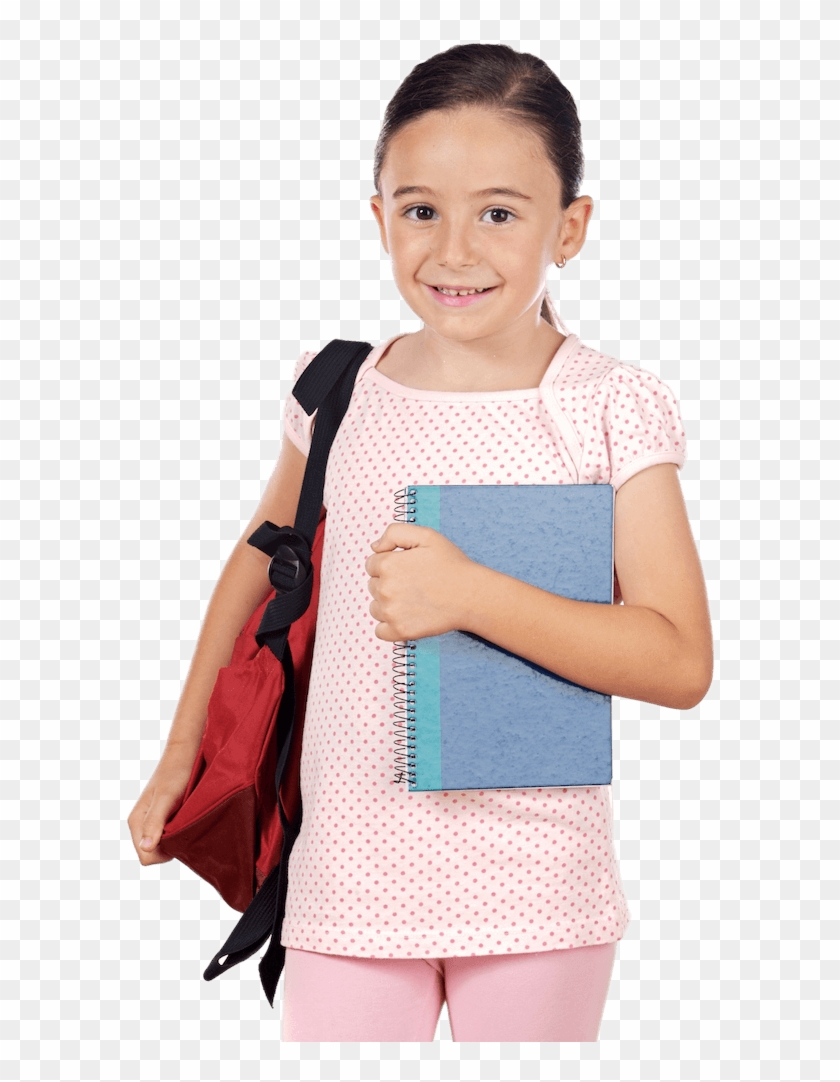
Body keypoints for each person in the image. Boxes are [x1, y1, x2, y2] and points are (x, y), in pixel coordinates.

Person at [128, 43, 712, 1041]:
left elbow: (677, 656)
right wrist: (180, 753)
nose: (452, 250)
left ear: (569, 226)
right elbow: (265, 554)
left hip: (538, 885)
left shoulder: (608, 404)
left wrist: (468, 593)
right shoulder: (339, 385)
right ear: (378, 215)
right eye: (419, 208)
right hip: (346, 870)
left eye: (499, 210)